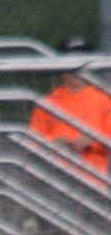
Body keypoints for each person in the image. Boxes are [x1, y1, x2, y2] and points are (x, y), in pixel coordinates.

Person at [29, 35, 111, 182]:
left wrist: (92, 141)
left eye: (82, 61)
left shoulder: (103, 99)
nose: (77, 67)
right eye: (71, 61)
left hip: (94, 183)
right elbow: (32, 141)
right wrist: (53, 143)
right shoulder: (48, 102)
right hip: (57, 184)